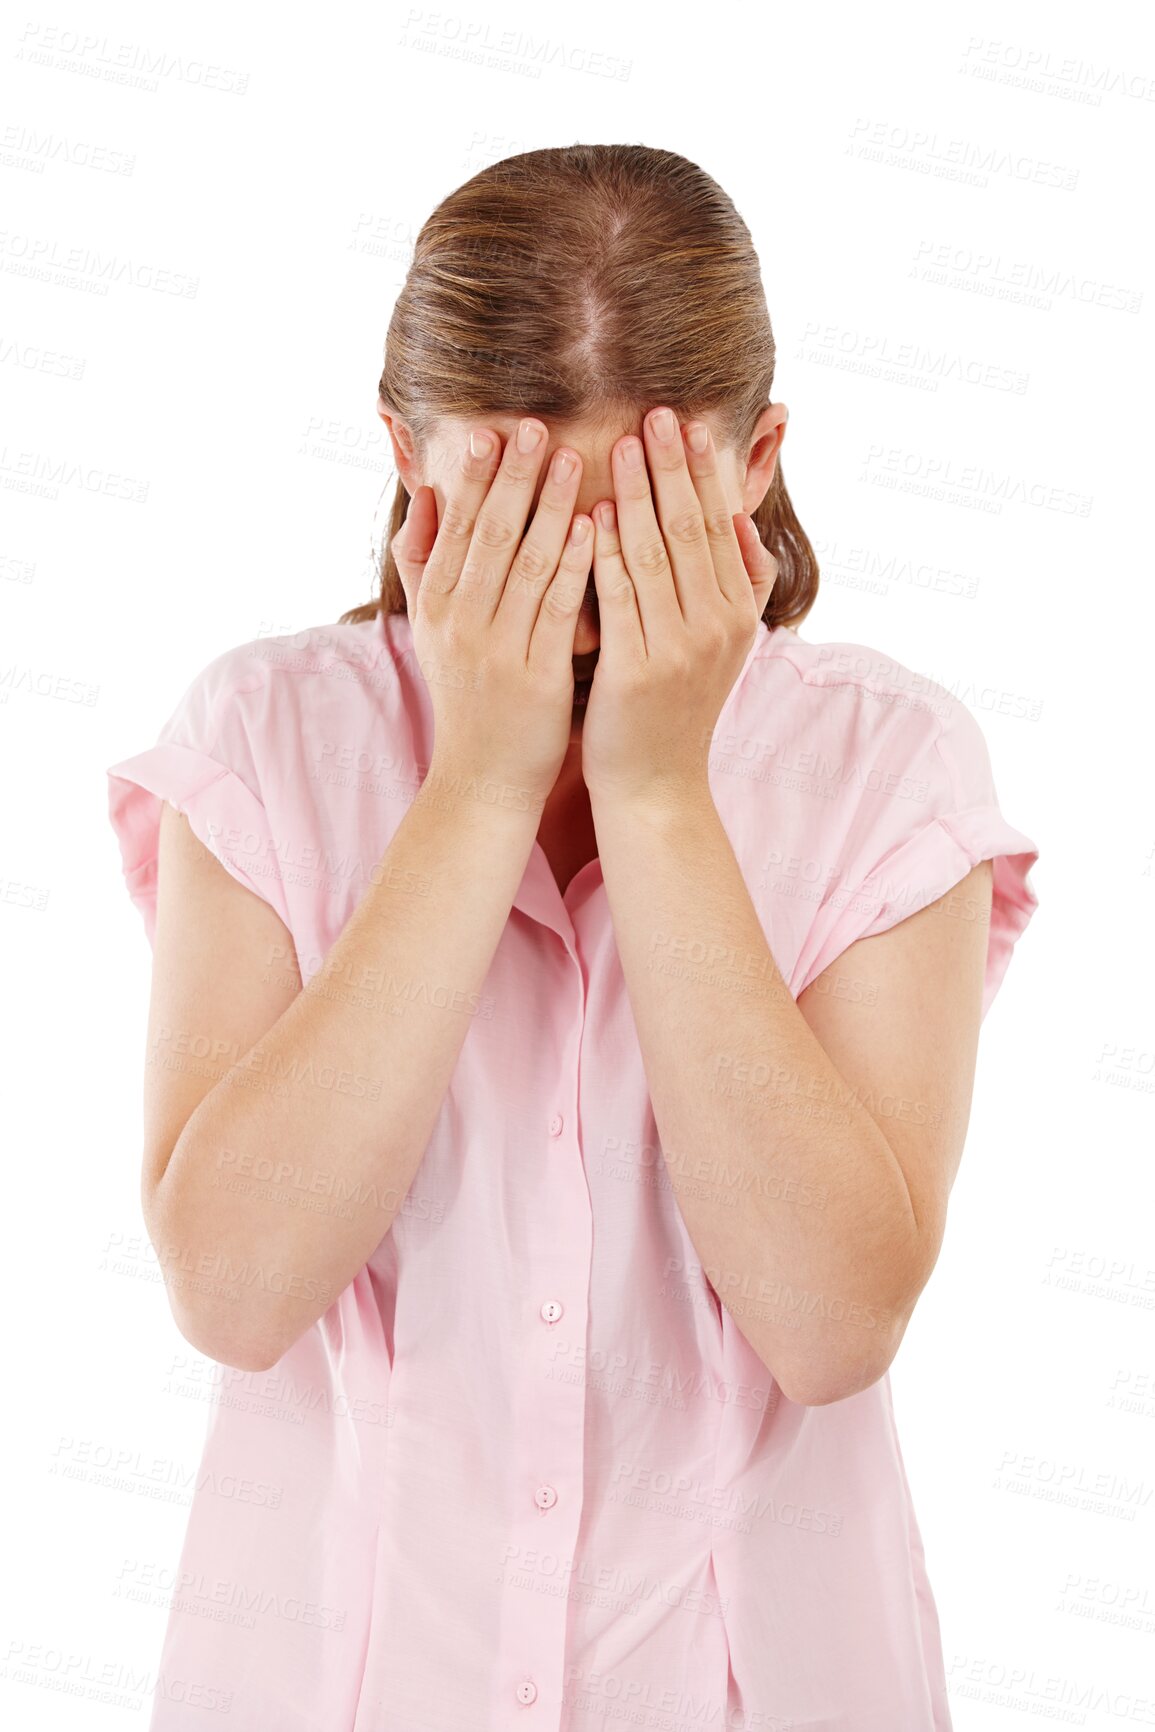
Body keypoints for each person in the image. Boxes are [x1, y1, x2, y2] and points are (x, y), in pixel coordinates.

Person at [105, 144, 1040, 1732]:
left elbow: (831, 1327)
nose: (580, 581)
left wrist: (661, 797)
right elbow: (235, 1288)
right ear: (407, 458)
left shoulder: (890, 765)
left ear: (756, 466)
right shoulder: (266, 739)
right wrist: (475, 789)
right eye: (520, 515)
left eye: (633, 517)